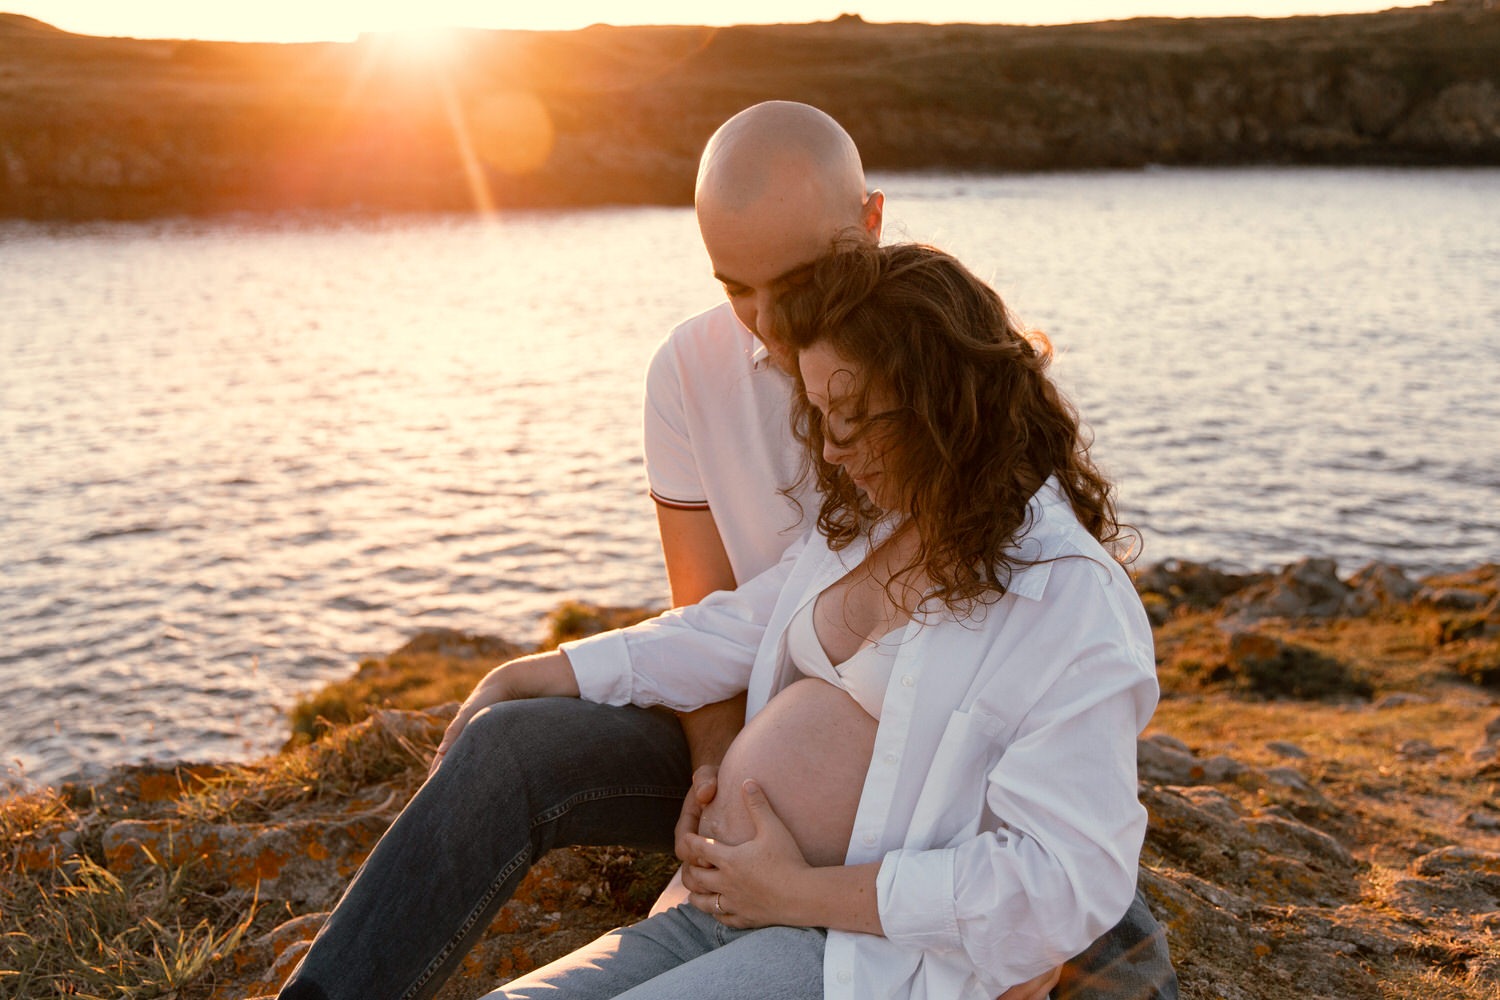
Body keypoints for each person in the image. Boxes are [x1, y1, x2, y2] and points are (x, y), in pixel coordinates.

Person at [277, 101, 1175, 1000]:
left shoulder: (1033, 555)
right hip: (744, 844)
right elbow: (721, 623)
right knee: (508, 750)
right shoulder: (787, 463)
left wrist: (820, 893)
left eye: (853, 416)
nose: (770, 324)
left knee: (1106, 927)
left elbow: (1053, 844)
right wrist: (614, 709)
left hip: (868, 890)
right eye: (736, 287)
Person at [474, 239, 1160, 999]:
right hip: (716, 910)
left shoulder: (1066, 597)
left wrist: (794, 893)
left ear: (945, 399)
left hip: (854, 955)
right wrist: (538, 671)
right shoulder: (874, 531)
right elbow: (726, 629)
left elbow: (1067, 880)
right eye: (823, 415)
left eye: (857, 417)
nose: (833, 452)